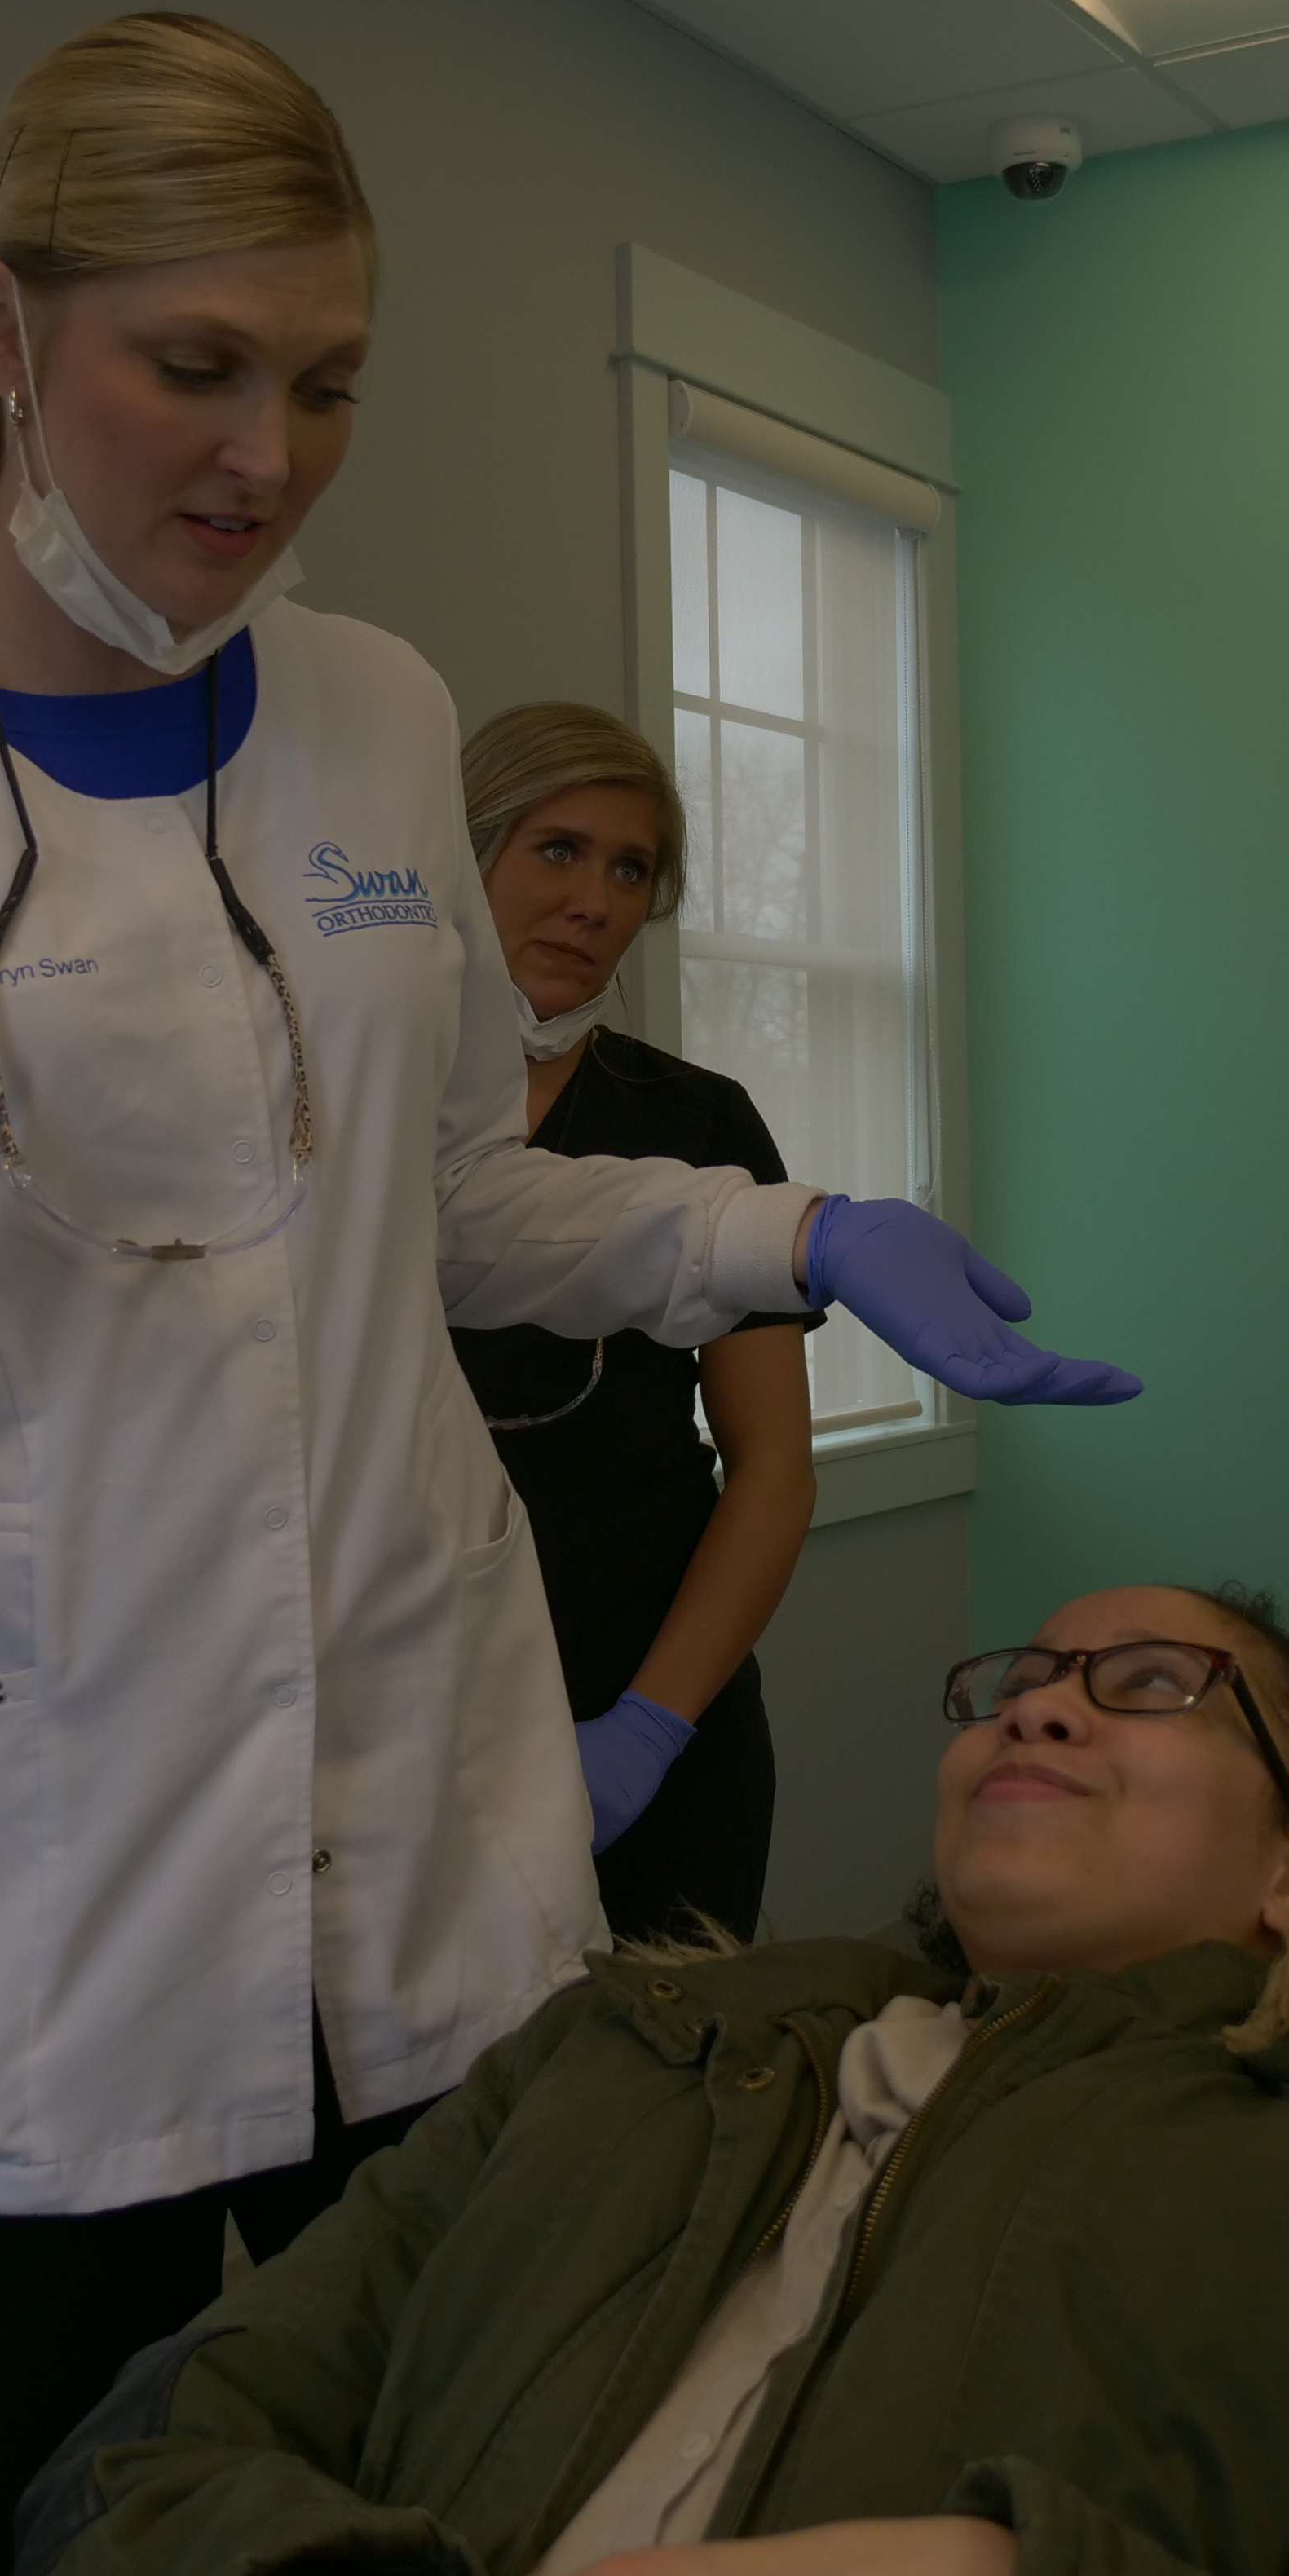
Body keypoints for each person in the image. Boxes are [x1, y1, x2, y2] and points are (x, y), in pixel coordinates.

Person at [0, 12, 1138, 2576]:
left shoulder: (372, 713)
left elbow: (456, 1196)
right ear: (3, 331)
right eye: (197, 368)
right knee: (52, 2538)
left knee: (467, 2505)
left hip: (419, 1856)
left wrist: (781, 1238)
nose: (269, 457)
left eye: (329, 383)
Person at [19, 1582, 1289, 2576]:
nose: (1044, 1709)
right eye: (1025, 1682)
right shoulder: (610, 2051)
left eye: (1154, 1690)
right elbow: (133, 2462)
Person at [453, 704, 813, 1941]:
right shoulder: (341, 1112)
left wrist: (653, 1728)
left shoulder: (699, 1124)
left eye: (631, 869)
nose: (595, 900)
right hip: (409, 1727)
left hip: (647, 1714)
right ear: (462, 856)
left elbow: (771, 1467)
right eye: (557, 850)